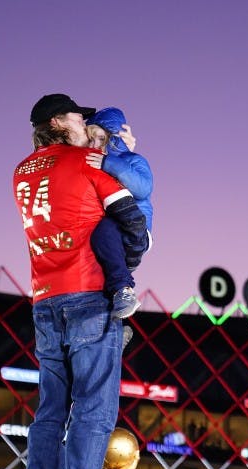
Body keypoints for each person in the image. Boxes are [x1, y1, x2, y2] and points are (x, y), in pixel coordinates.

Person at [13, 93, 147, 469]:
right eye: (76, 115)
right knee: (93, 409)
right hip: (89, 296)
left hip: (44, 300)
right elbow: (129, 208)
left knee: (50, 412)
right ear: (57, 121)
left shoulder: (19, 173)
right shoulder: (84, 162)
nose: (82, 122)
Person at [85, 107, 153, 319]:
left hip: (135, 229)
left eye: (100, 138)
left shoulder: (133, 160)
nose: (94, 145)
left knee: (103, 231)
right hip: (112, 232)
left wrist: (110, 163)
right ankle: (115, 325)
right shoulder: (96, 161)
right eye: (91, 140)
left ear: (113, 138)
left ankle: (125, 291)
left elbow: (143, 188)